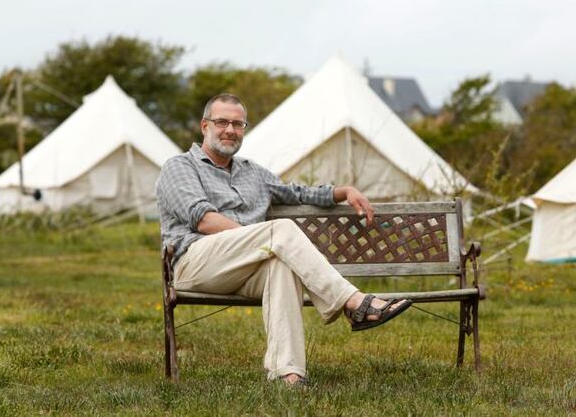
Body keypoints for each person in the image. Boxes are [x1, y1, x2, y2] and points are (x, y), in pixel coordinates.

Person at [156, 94, 411, 385]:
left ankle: (287, 373)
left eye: (238, 124)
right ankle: (354, 303)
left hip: (242, 266)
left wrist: (343, 191)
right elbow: (203, 219)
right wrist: (259, 237)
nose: (230, 130)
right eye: (222, 122)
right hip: (194, 264)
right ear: (205, 126)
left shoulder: (252, 172)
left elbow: (297, 193)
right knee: (280, 230)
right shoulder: (179, 167)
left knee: (281, 267)